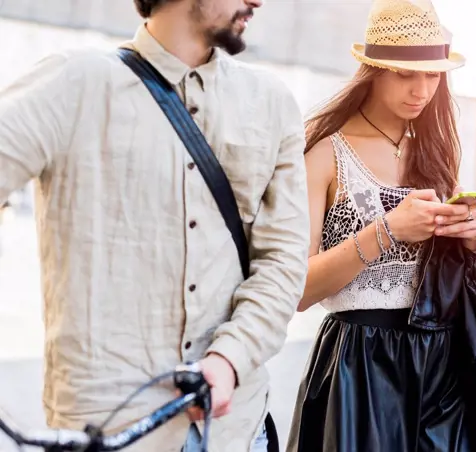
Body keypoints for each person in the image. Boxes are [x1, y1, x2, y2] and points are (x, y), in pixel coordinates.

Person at [0, 0, 310, 451]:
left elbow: (283, 260)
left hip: (235, 429)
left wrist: (230, 357)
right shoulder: (75, 84)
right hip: (111, 428)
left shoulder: (272, 103)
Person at [286, 0, 476, 450]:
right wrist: (387, 230)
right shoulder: (325, 153)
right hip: (359, 365)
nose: (421, 89)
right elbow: (299, 290)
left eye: (432, 74)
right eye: (406, 73)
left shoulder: (437, 152)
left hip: (442, 365)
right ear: (372, 70)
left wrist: (470, 231)